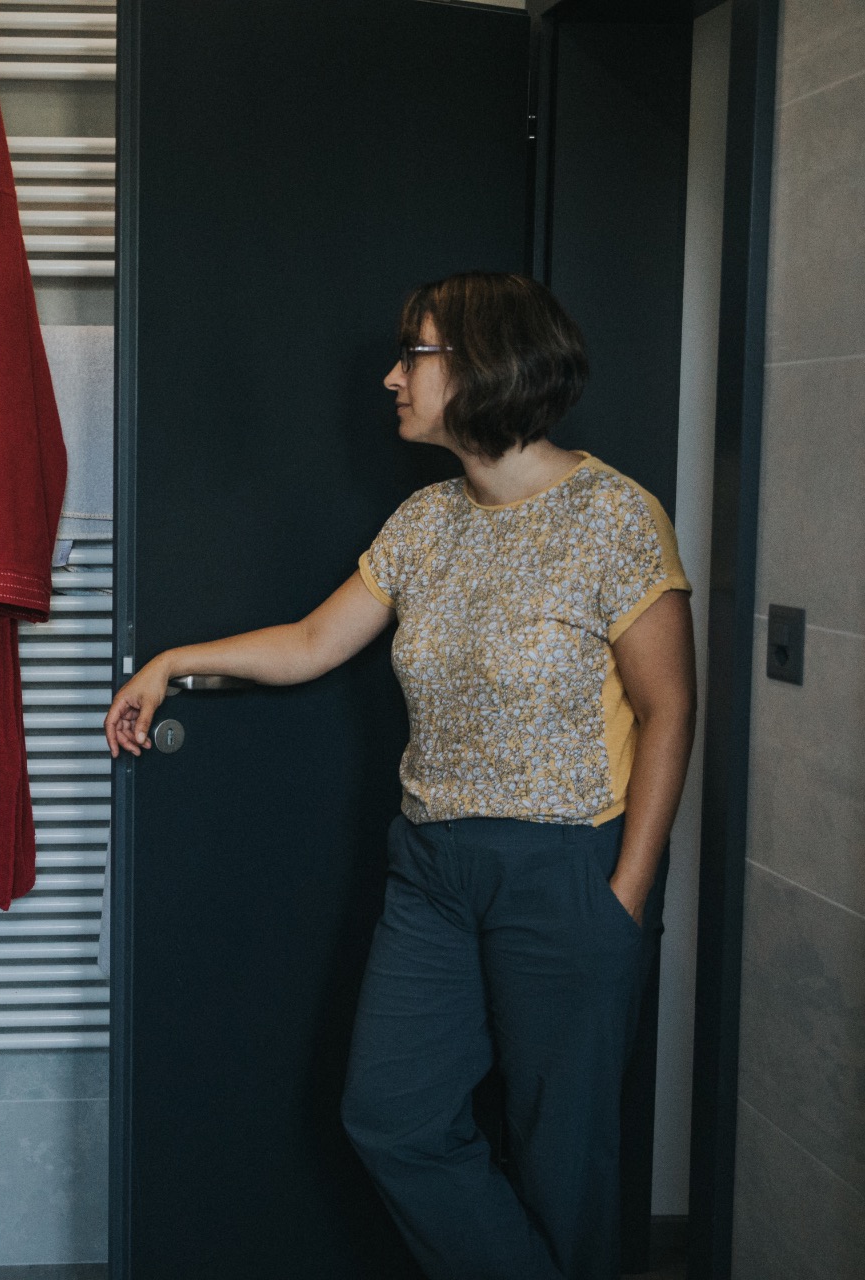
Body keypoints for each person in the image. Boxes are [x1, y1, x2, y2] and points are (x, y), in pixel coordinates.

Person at [104, 271, 695, 1279]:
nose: (391, 376)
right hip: (432, 871)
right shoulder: (425, 521)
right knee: (391, 1113)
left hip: (567, 869)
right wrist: (170, 662)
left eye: (412, 353)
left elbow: (669, 706)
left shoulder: (615, 515)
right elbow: (311, 642)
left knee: (564, 1154)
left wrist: (625, 895)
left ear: (485, 362)